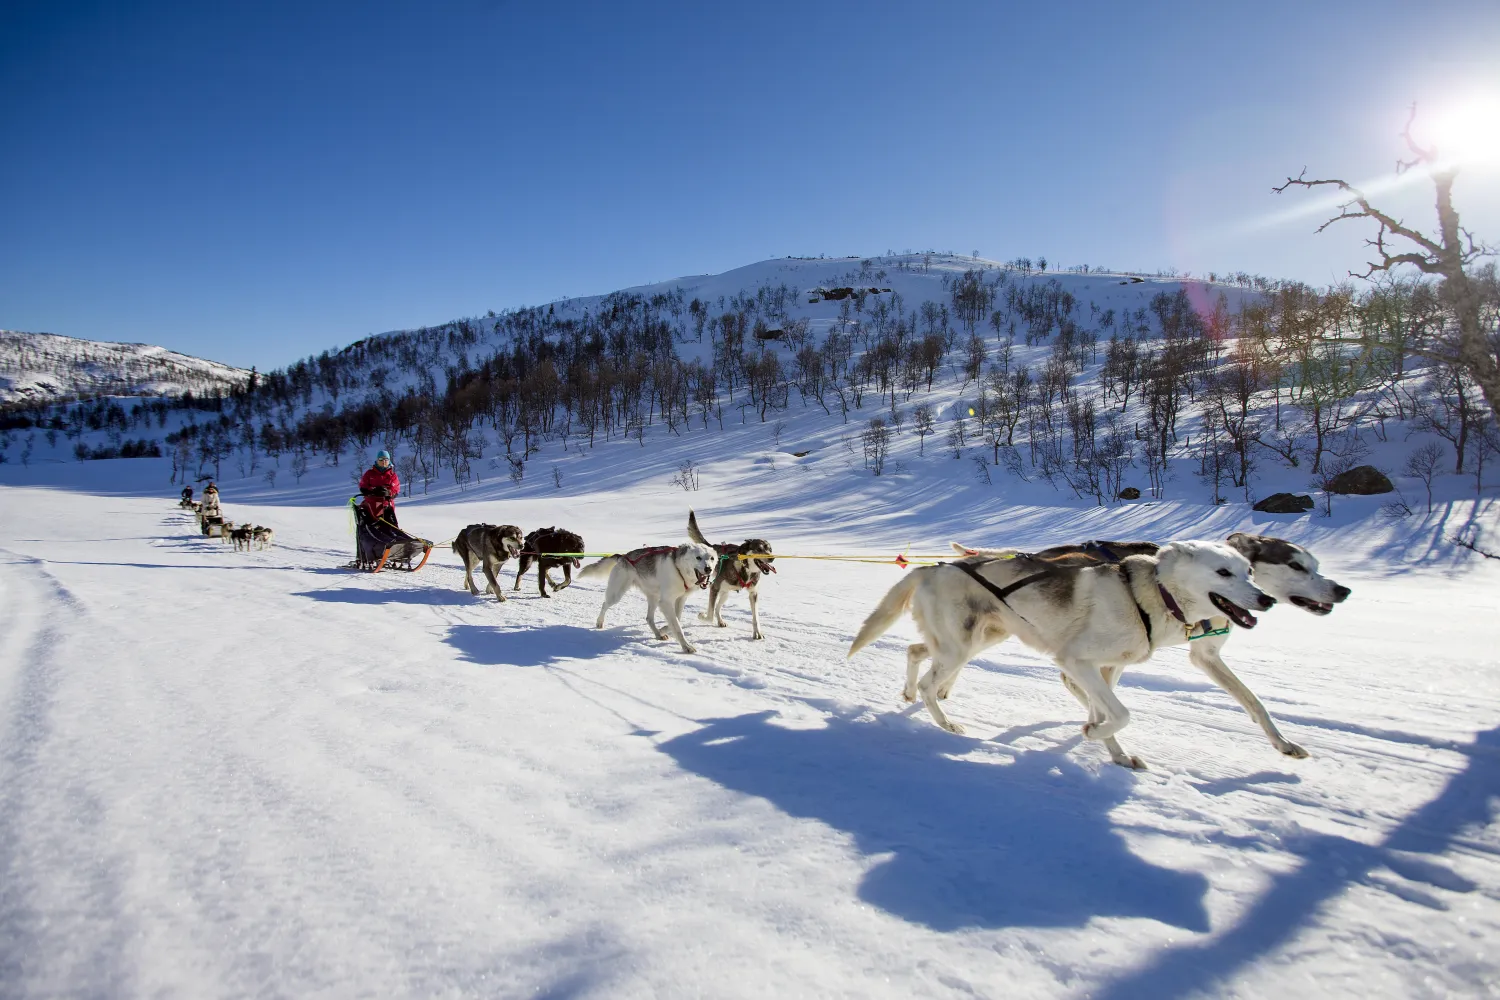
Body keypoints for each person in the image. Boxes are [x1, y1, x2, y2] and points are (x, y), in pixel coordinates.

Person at [358, 450, 401, 527]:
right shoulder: (369, 473)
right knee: (374, 523)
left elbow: (395, 489)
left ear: (389, 461)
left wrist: (388, 492)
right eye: (381, 459)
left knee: (391, 525)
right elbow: (363, 486)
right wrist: (373, 490)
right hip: (371, 503)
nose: (383, 461)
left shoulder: (392, 475)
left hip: (386, 505)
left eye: (386, 459)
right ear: (377, 460)